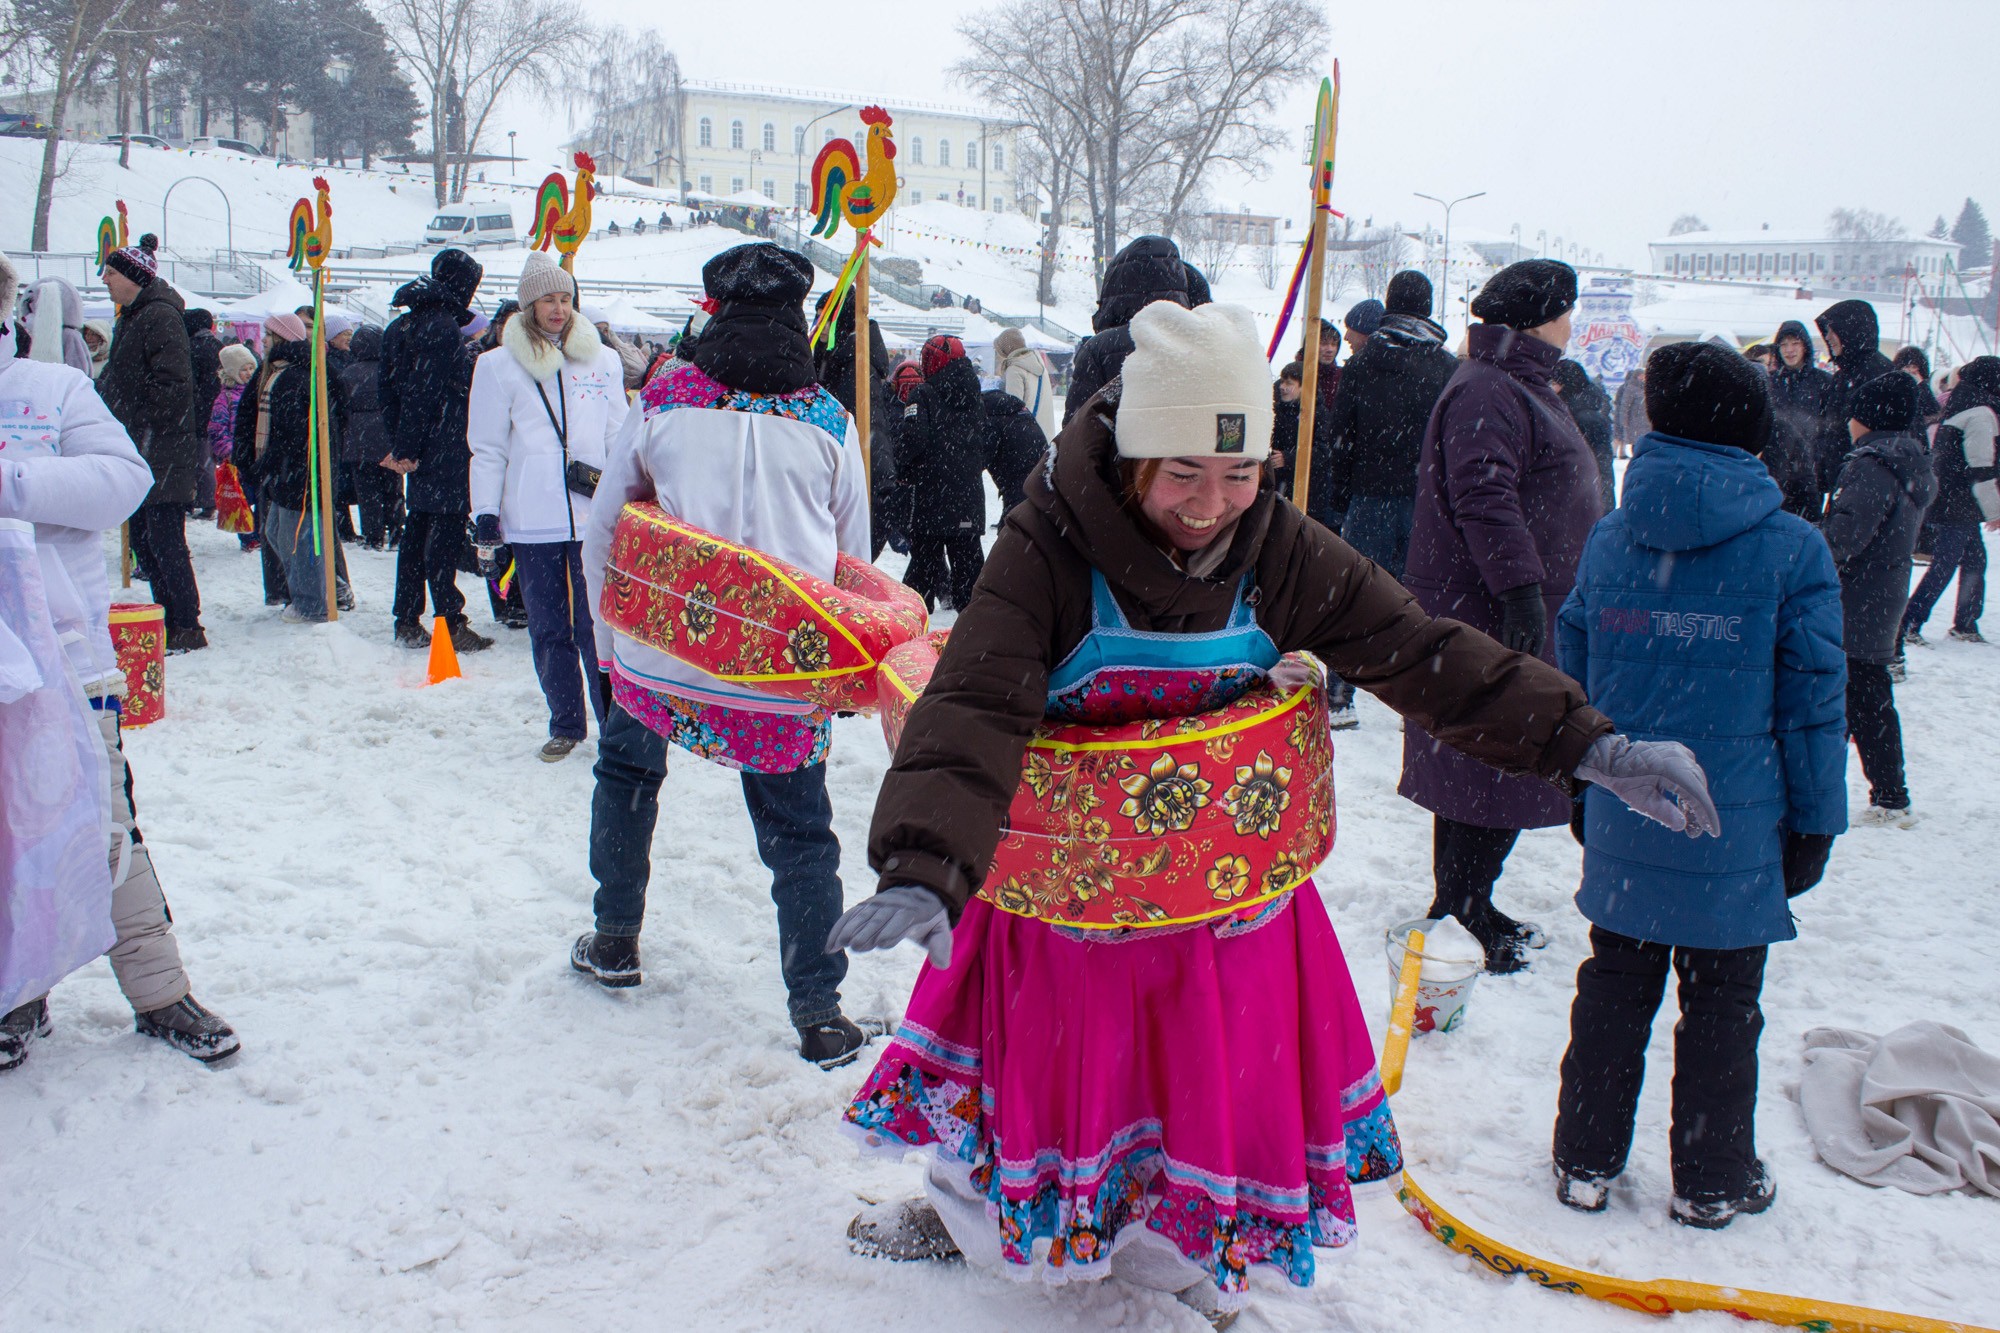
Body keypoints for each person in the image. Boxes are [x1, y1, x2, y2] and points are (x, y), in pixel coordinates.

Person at [825, 300, 1715, 1318]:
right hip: (1069, 897)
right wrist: (922, 863)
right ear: (1131, 461)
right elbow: (974, 702)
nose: (1212, 504)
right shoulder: (1046, 546)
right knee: (1039, 1069)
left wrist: (1582, 739)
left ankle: (1174, 1260)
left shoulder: (1273, 545)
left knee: (1193, 1091)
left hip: (1219, 898)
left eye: (1238, 472)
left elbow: (1417, 650)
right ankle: (967, 1217)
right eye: (1183, 474)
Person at [1552, 341, 1845, 1230]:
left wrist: (1583, 778)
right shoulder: (1792, 549)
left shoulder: (1611, 535)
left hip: (1628, 805)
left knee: (1614, 980)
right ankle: (1713, 1175)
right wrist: (1815, 822)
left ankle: (1584, 1159)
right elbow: (1813, 703)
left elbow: (1572, 664)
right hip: (1735, 823)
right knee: (1723, 998)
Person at [575, 242, 879, 1069]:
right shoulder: (826, 417)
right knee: (801, 835)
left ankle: (614, 938)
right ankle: (818, 1009)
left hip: (658, 655)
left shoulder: (667, 395)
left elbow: (607, 523)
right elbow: (854, 552)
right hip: (777, 674)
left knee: (628, 778)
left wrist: (608, 644)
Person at [0, 252, 240, 1067]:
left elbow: (121, 481)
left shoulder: (49, 392)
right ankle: (16, 993)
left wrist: (13, 484)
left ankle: (159, 988)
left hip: (60, 660)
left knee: (102, 826)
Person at [1401, 259, 1605, 973]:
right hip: (1493, 607)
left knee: (1479, 765)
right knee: (1497, 764)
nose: (1570, 325)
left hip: (1499, 602)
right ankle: (1461, 910)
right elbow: (1484, 496)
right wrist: (1520, 589)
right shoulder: (1492, 386)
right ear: (1541, 316)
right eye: (1565, 311)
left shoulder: (1512, 380)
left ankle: (1465, 904)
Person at [469, 253, 629, 761]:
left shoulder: (600, 359)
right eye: (547, 300)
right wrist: (486, 513)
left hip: (592, 515)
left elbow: (618, 435)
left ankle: (612, 724)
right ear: (528, 305)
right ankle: (565, 722)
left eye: (565, 298)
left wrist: (630, 496)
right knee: (549, 626)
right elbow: (488, 447)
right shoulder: (496, 365)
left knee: (597, 626)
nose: (558, 309)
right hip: (532, 517)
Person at [1825, 372, 1934, 827]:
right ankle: (1882, 791)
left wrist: (1806, 538)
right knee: (1861, 696)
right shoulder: (1906, 461)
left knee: (1859, 697)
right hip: (1879, 594)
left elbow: (1845, 537)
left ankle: (1890, 796)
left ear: (1867, 418)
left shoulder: (1872, 465)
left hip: (1857, 597)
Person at [96, 242, 207, 653]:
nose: (104, 280)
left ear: (132, 276)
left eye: (110, 272)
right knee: (145, 540)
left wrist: (132, 416)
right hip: (143, 447)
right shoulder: (135, 317)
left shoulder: (159, 316)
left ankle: (186, 624)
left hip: (160, 448)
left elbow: (174, 386)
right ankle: (168, 616)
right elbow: (118, 378)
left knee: (163, 540)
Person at [380, 248, 492, 653]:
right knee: (441, 536)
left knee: (418, 533)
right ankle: (450, 619)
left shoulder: (402, 325)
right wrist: (409, 445)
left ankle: (407, 617)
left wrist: (400, 443)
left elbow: (391, 391)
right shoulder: (441, 326)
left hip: (424, 446)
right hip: (444, 445)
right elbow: (421, 392)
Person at [1324, 270, 1457, 580]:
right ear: (1429, 308)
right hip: (1426, 498)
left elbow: (1341, 435)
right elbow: (1456, 439)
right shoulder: (1447, 367)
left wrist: (1340, 494)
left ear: (1389, 305)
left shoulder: (1361, 364)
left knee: (1366, 592)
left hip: (1368, 497)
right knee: (1419, 594)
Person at [233, 313, 353, 621]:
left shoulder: (294, 376)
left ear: (282, 338)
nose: (263, 341)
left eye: (269, 335)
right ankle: (321, 589)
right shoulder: (283, 372)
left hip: (301, 472)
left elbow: (292, 433)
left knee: (297, 538)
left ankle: (312, 603)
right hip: (292, 471)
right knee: (277, 533)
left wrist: (268, 465)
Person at [1901, 356, 1999, 648]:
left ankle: (1965, 621)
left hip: (1951, 498)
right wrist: (1994, 510)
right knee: (1945, 563)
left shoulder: (1962, 404)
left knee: (1973, 560)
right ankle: (1909, 621)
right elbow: (1981, 467)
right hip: (1959, 502)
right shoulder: (1981, 412)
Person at [898, 334, 988, 613]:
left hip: (933, 498)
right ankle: (977, 639)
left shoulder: (923, 394)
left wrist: (905, 472)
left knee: (920, 575)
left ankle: (912, 635)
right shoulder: (975, 395)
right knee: (971, 581)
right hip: (968, 498)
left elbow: (913, 440)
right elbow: (985, 440)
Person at [1063, 235, 1192, 423]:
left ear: (1114, 284)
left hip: (1116, 450)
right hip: (1181, 450)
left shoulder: (1099, 350)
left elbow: (1076, 434)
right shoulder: (1199, 342)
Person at [1814, 299, 1895, 509]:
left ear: (1851, 331)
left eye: (1834, 331)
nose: (1828, 338)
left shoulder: (1880, 375)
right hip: (1845, 483)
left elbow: (1889, 440)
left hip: (1869, 490)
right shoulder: (1844, 376)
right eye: (1827, 332)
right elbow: (1831, 430)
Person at [338, 326, 401, 549]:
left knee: (367, 491)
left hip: (359, 439)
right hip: (388, 435)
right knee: (393, 488)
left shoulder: (348, 373)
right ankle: (395, 531)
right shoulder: (391, 369)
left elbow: (343, 407)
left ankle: (373, 535)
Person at [1768, 320, 1833, 521]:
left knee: (1808, 529)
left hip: (1809, 474)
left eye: (1795, 343)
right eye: (1784, 344)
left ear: (1805, 345)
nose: (1789, 350)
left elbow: (1830, 428)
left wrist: (1820, 464)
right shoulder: (1769, 382)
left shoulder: (1823, 382)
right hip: (1774, 473)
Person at [1553, 357, 1617, 511]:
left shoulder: (1584, 418)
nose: (1551, 387)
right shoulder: (1570, 410)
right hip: (1576, 499)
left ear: (1565, 385)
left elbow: (1602, 468)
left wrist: (1602, 510)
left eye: (1554, 383)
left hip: (1583, 504)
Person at [981, 384, 1045, 519]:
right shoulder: (1020, 413)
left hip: (1018, 486)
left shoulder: (991, 420)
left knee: (1013, 530)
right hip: (1041, 478)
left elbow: (978, 460)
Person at [994, 326, 1056, 439]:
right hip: (1045, 435)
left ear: (1005, 350)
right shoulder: (1039, 363)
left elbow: (1012, 409)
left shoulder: (1014, 369)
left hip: (1027, 438)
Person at [25, 275, 92, 374]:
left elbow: (77, 374)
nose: (31, 305)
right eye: (29, 301)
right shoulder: (27, 333)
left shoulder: (68, 336)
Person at [1612, 364, 1649, 459]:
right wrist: (1624, 421)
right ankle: (1632, 456)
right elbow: (1625, 405)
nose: (1644, 377)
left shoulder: (1644, 387)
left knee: (1642, 442)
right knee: (1636, 442)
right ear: (1638, 376)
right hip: (1635, 421)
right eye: (1643, 375)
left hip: (1644, 421)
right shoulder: (1631, 388)